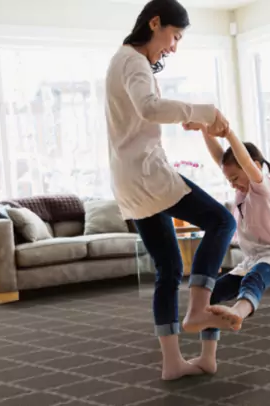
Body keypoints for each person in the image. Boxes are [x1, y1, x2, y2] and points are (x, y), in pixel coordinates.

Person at [105, 0, 237, 381]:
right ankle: (198, 307)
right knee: (222, 221)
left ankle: (172, 362)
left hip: (128, 180)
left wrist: (185, 118)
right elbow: (149, 107)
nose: (174, 47)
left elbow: (142, 112)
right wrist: (205, 112)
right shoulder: (133, 60)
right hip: (147, 175)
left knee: (168, 268)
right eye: (174, 36)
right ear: (155, 22)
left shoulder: (122, 59)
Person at [182, 122, 270, 374]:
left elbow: (241, 158)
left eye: (235, 178)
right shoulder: (243, 191)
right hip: (251, 260)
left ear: (253, 167)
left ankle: (238, 313)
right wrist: (204, 130)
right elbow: (221, 158)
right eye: (229, 180)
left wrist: (230, 134)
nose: (233, 184)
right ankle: (207, 358)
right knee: (208, 297)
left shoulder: (263, 186)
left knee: (253, 280)